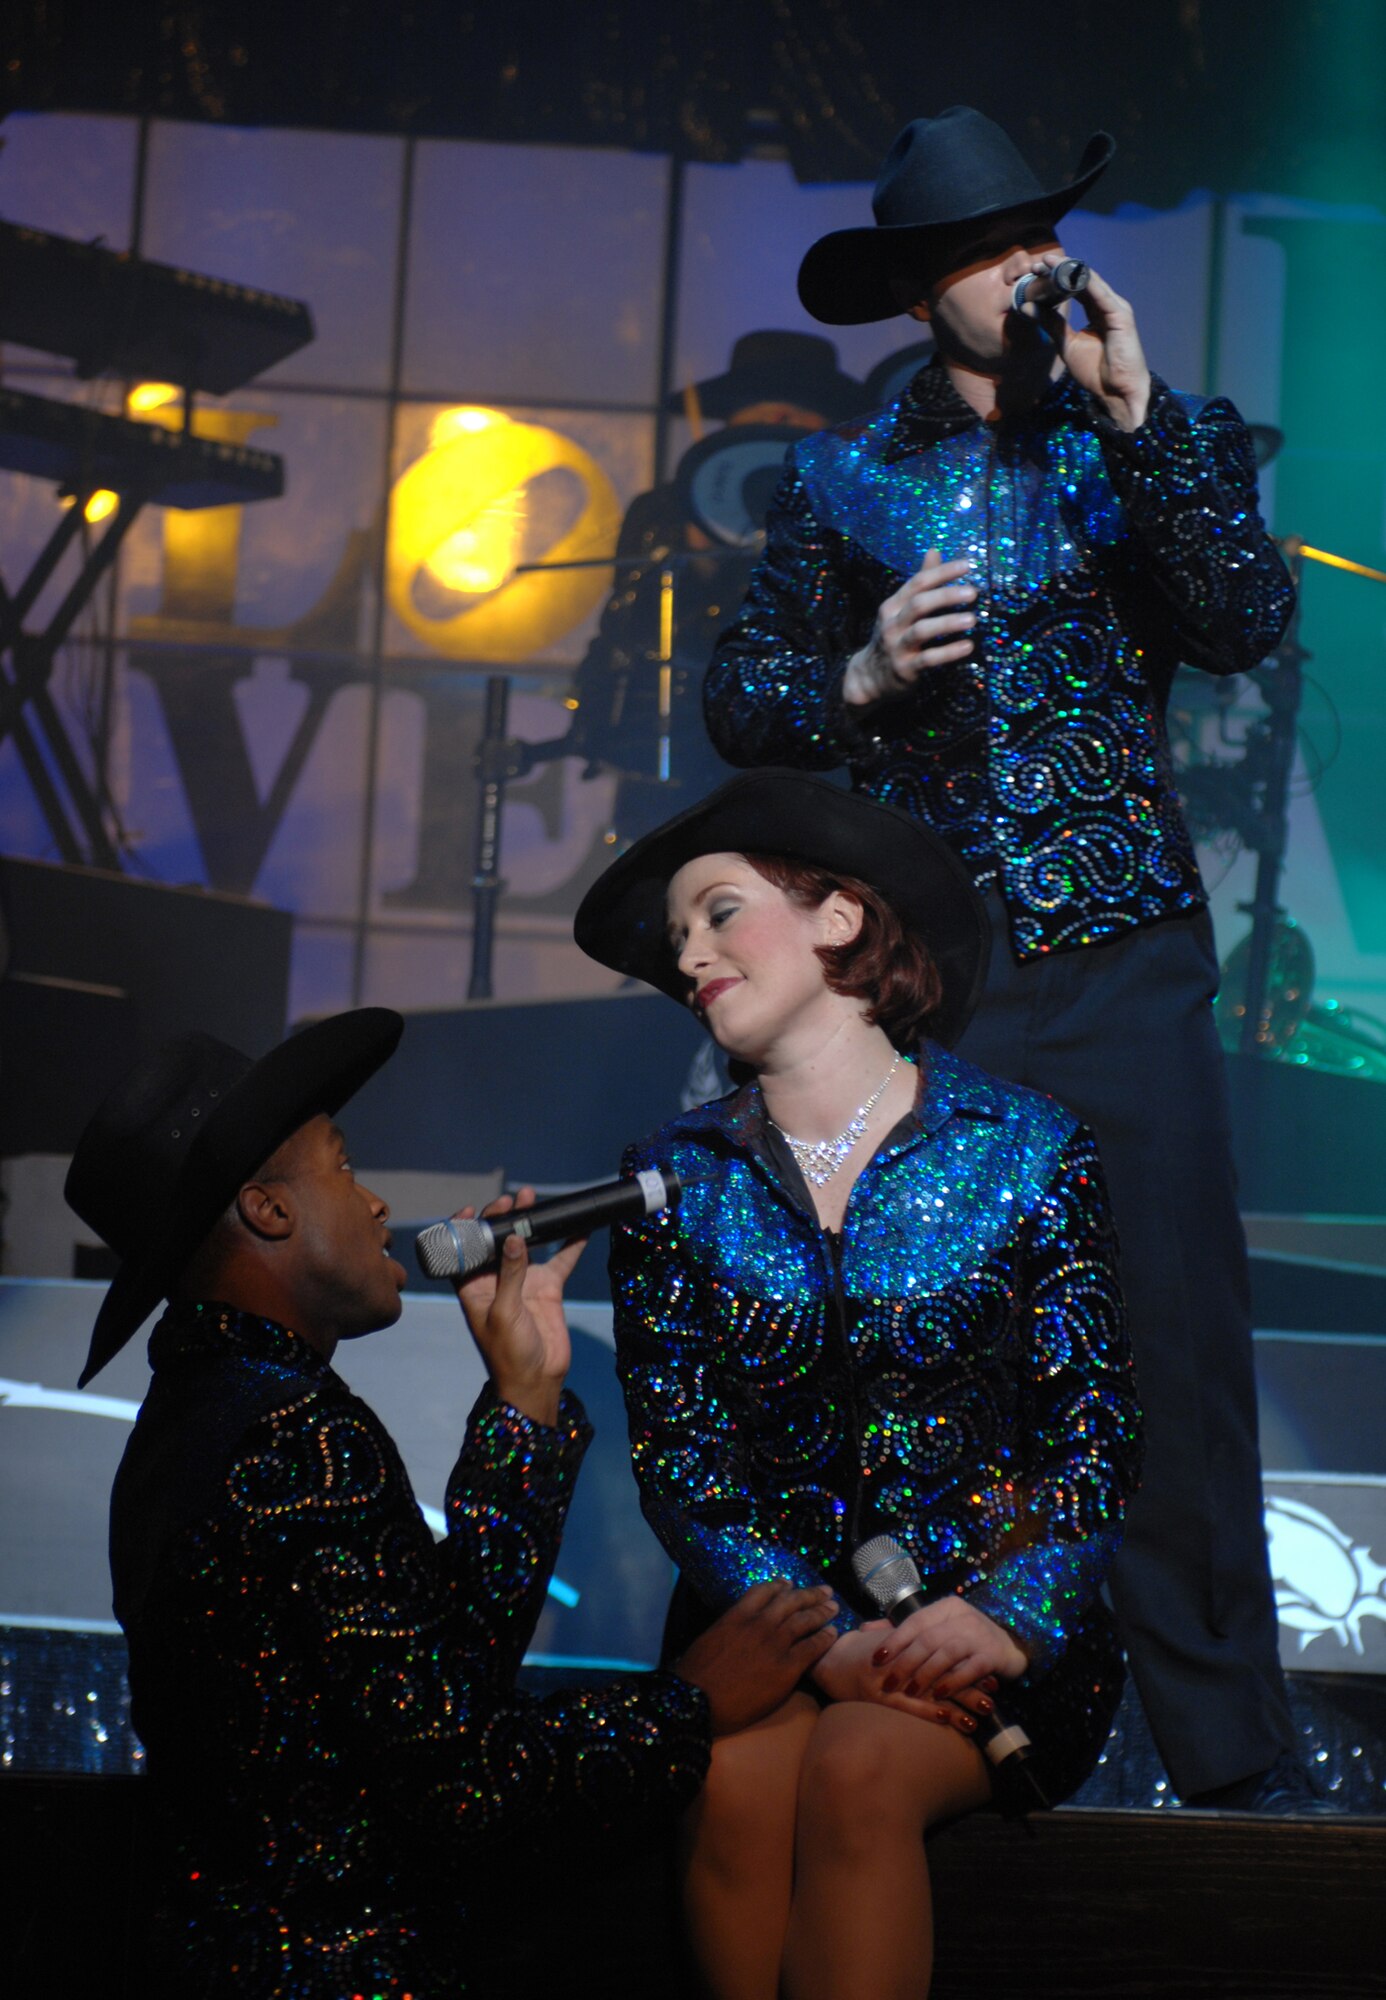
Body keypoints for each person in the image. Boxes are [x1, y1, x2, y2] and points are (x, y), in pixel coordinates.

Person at [702, 107, 1321, 1814]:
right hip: (934, 986)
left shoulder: (1152, 435)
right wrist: (857, 680)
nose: (1030, 263)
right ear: (920, 290)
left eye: (1039, 230)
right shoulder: (838, 478)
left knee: (1176, 1351)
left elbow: (1247, 623)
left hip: (1122, 962)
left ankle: (1228, 1764)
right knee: (937, 1359)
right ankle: (972, 1732)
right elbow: (737, 703)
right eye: (987, 247)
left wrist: (1139, 428)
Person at [64, 1007, 840, 1997]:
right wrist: (689, 1699)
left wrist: (523, 1399)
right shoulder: (294, 1437)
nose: (379, 1204)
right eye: (344, 1169)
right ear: (266, 1211)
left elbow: (434, 1700)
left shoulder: (196, 1414)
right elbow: (470, 1786)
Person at [574, 769, 1142, 2000]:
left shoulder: (1030, 1145)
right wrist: (815, 1636)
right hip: (767, 1630)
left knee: (861, 1771)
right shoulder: (673, 1177)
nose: (691, 953)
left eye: (718, 912)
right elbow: (684, 1459)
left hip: (988, 1633)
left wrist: (1011, 1609)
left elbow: (1095, 1430)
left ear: (838, 918)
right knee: (728, 1780)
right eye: (677, 938)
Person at [568, 329, 864, 843]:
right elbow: (629, 631)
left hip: (802, 770)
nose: (778, 418)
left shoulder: (855, 514)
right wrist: (696, 558)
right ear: (728, 419)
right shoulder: (662, 510)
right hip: (671, 762)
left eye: (800, 405)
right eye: (758, 403)